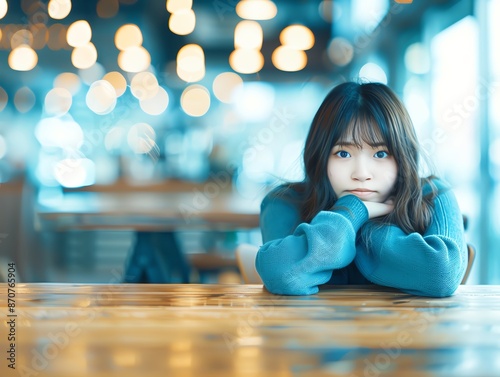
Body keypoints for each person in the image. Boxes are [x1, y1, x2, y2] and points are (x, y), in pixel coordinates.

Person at [255, 81, 468, 297]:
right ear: (320, 156)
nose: (362, 173)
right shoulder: (284, 201)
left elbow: (442, 274)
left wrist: (362, 227)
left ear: (403, 157)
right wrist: (352, 212)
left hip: (406, 329)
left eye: (381, 154)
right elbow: (282, 275)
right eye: (343, 153)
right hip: (313, 330)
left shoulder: (433, 195)